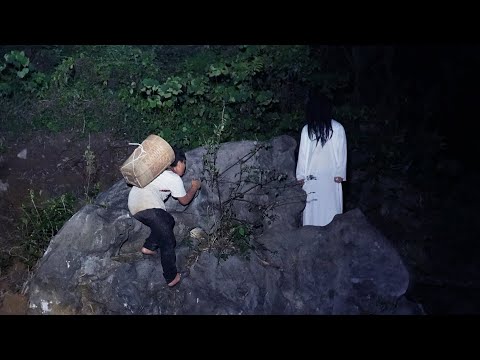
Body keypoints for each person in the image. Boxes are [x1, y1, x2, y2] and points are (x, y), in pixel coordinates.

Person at [127, 147, 201, 287]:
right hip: (148, 205)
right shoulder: (173, 178)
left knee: (168, 221)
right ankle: (172, 277)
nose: (184, 167)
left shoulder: (155, 172)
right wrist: (194, 187)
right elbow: (184, 200)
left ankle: (148, 247)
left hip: (134, 206)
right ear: (179, 163)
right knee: (168, 240)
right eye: (184, 163)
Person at [296, 89, 347, 226]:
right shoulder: (307, 130)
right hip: (312, 178)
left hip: (330, 178)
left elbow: (341, 154)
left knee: (331, 210)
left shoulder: (337, 128)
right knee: (313, 211)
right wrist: (301, 175)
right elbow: (303, 154)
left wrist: (340, 173)